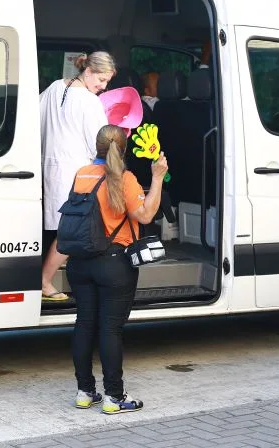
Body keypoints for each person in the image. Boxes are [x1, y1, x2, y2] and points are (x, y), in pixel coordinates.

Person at [68, 124, 168, 413]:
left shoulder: (82, 174)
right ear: (123, 150)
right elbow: (145, 214)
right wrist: (157, 178)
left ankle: (85, 392)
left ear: (96, 146)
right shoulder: (126, 178)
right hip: (114, 264)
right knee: (110, 329)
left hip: (79, 262)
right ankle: (114, 397)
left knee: (84, 324)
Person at [40, 51, 115, 300]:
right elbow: (101, 142)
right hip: (77, 172)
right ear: (88, 71)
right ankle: (45, 281)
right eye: (101, 80)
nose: (103, 87)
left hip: (51, 167)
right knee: (71, 230)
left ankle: (57, 270)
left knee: (60, 226)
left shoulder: (54, 87)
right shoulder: (89, 102)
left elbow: (36, 118)